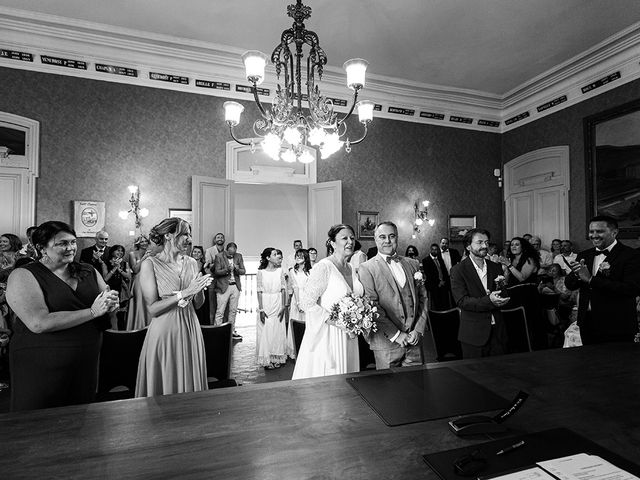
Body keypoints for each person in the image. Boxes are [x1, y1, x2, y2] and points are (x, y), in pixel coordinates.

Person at [6, 221, 119, 411]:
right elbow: (38, 323)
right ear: (41, 247)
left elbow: (105, 305)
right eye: (62, 243)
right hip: (42, 361)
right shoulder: (23, 275)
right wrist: (92, 312)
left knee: (81, 418)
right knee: (38, 419)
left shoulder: (88, 270)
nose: (71, 248)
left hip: (86, 360)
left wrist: (111, 304)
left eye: (73, 242)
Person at [135, 217, 212, 397]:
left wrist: (198, 288)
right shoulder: (150, 264)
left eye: (190, 234)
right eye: (184, 234)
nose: (189, 239)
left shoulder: (192, 263)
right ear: (168, 236)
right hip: (165, 330)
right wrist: (184, 293)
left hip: (190, 327)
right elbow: (153, 309)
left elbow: (199, 304)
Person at [292, 225, 362, 379]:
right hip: (329, 336)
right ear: (332, 243)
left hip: (350, 336)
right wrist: (339, 322)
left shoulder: (351, 268)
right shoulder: (324, 267)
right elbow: (306, 302)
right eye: (344, 238)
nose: (350, 241)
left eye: (352, 237)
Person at [358, 222, 428, 369]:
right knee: (389, 389)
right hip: (386, 343)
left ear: (397, 238)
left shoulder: (413, 264)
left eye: (391, 236)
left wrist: (418, 329)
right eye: (382, 237)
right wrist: (396, 335)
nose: (387, 241)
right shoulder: (366, 268)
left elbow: (423, 298)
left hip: (414, 340)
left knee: (417, 385)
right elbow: (372, 306)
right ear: (375, 239)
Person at [565, 215, 640, 345]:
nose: (594, 235)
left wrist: (590, 279)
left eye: (599, 231)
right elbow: (570, 285)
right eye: (591, 231)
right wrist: (577, 275)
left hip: (617, 322)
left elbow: (631, 289)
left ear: (614, 232)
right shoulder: (584, 255)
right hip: (587, 322)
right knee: (590, 363)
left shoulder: (631, 255)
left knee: (619, 364)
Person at [450, 228, 509, 358]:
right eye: (480, 242)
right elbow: (462, 301)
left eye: (487, 242)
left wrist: (503, 297)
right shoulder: (458, 270)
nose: (484, 246)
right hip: (474, 334)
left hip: (498, 332)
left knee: (502, 373)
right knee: (476, 375)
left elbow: (503, 293)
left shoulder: (495, 267)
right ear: (468, 246)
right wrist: (489, 300)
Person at [256, 247, 288, 370]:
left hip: (277, 301)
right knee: (266, 330)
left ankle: (277, 356)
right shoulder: (261, 272)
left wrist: (283, 306)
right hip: (266, 301)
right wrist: (261, 309)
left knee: (278, 329)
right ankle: (267, 357)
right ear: (268, 258)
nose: (277, 257)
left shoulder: (280, 271)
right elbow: (259, 291)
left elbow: (284, 289)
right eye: (274, 254)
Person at [213, 242, 245, 339]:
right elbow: (216, 272)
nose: (232, 255)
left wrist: (237, 269)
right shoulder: (219, 256)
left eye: (233, 253)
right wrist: (227, 269)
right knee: (220, 311)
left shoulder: (239, 256)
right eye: (230, 253)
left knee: (233, 310)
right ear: (226, 250)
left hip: (235, 286)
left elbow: (243, 271)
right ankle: (217, 332)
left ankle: (232, 331)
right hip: (223, 286)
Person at [126, 235, 155, 331]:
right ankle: (137, 327)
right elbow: (135, 269)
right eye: (141, 241)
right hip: (138, 282)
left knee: (149, 302)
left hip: (149, 280)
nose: (144, 243)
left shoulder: (152, 253)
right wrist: (144, 258)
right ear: (138, 243)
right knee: (139, 303)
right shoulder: (132, 254)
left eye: (145, 241)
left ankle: (149, 327)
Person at [287, 248, 312, 358]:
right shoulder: (292, 270)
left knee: (308, 322)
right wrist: (298, 303)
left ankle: (307, 349)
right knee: (296, 321)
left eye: (301, 256)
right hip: (297, 298)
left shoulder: (311, 271)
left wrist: (307, 301)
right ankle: (295, 349)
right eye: (297, 256)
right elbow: (295, 287)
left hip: (308, 298)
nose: (298, 258)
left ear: (305, 258)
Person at [102, 244, 132, 330]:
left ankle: (122, 335)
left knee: (121, 316)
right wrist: (115, 267)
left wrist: (119, 269)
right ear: (112, 252)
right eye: (118, 250)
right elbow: (106, 278)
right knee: (110, 315)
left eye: (122, 251)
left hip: (121, 291)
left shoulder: (125, 263)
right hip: (110, 290)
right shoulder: (105, 263)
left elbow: (128, 277)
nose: (120, 252)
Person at [422, 243, 452, 311]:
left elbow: (444, 271)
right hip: (434, 286)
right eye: (433, 249)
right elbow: (428, 274)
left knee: (445, 304)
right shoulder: (426, 260)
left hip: (443, 284)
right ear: (430, 250)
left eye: (436, 250)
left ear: (438, 250)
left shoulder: (440, 259)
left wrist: (445, 281)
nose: (434, 251)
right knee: (437, 306)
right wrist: (438, 282)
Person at [205, 232, 226, 322]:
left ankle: (224, 327)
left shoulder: (227, 252)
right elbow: (208, 266)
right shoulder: (209, 251)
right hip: (213, 281)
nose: (220, 238)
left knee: (223, 306)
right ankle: (212, 328)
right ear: (215, 240)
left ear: (224, 240)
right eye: (218, 237)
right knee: (212, 305)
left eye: (221, 237)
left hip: (224, 282)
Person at [190, 245, 210, 325]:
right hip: (191, 290)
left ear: (201, 255)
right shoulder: (188, 264)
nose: (196, 254)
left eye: (199, 252)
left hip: (202, 290)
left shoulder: (205, 265)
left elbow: (209, 276)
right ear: (192, 253)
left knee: (202, 310)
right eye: (195, 252)